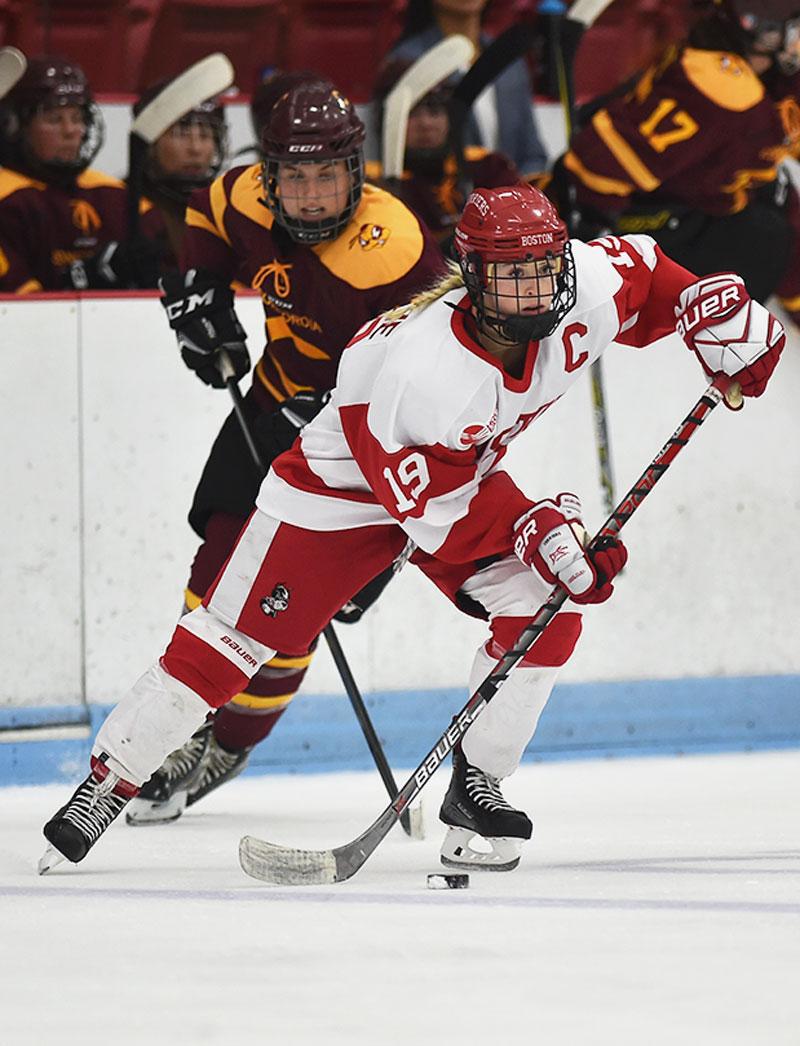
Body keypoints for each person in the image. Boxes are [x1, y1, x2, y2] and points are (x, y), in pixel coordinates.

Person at [40, 183, 784, 875]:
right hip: (340, 493)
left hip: (461, 473)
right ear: (470, 276)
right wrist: (538, 527)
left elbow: (650, 273)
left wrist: (716, 320)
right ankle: (110, 778)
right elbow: (438, 518)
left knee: (544, 613)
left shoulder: (581, 285)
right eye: (512, 276)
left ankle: (475, 791)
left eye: (545, 268)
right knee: (230, 644)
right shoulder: (419, 374)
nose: (538, 290)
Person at [120, 75, 446, 825]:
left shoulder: (394, 250)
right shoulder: (246, 197)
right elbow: (203, 211)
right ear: (270, 175)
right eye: (292, 176)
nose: (308, 194)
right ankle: (182, 727)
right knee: (217, 571)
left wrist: (349, 418)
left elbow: (438, 376)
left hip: (365, 453)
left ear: (354, 173)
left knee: (289, 610)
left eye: (325, 174)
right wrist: (198, 290)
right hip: (271, 406)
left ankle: (232, 740)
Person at [552, 0, 800, 320]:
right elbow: (602, 163)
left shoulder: (717, 52)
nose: (794, 44)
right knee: (768, 233)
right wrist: (591, 231)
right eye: (791, 32)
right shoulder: (724, 87)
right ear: (754, 28)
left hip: (684, 191)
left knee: (777, 195)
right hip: (654, 216)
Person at [69, 79, 229, 289]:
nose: (196, 148)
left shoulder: (227, 207)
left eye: (206, 134)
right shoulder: (113, 204)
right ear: (150, 141)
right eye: (181, 134)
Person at [0, 55, 130, 292]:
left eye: (77, 118)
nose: (70, 131)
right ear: (16, 125)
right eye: (54, 119)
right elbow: (21, 310)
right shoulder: (7, 198)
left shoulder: (112, 193)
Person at [368, 57, 521, 245]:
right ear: (385, 120)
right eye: (412, 113)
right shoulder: (371, 186)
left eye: (434, 111)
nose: (426, 124)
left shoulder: (488, 167)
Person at [388, 0, 548, 178]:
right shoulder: (407, 62)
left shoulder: (510, 60)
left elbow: (534, 154)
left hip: (512, 197)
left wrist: (517, 196)